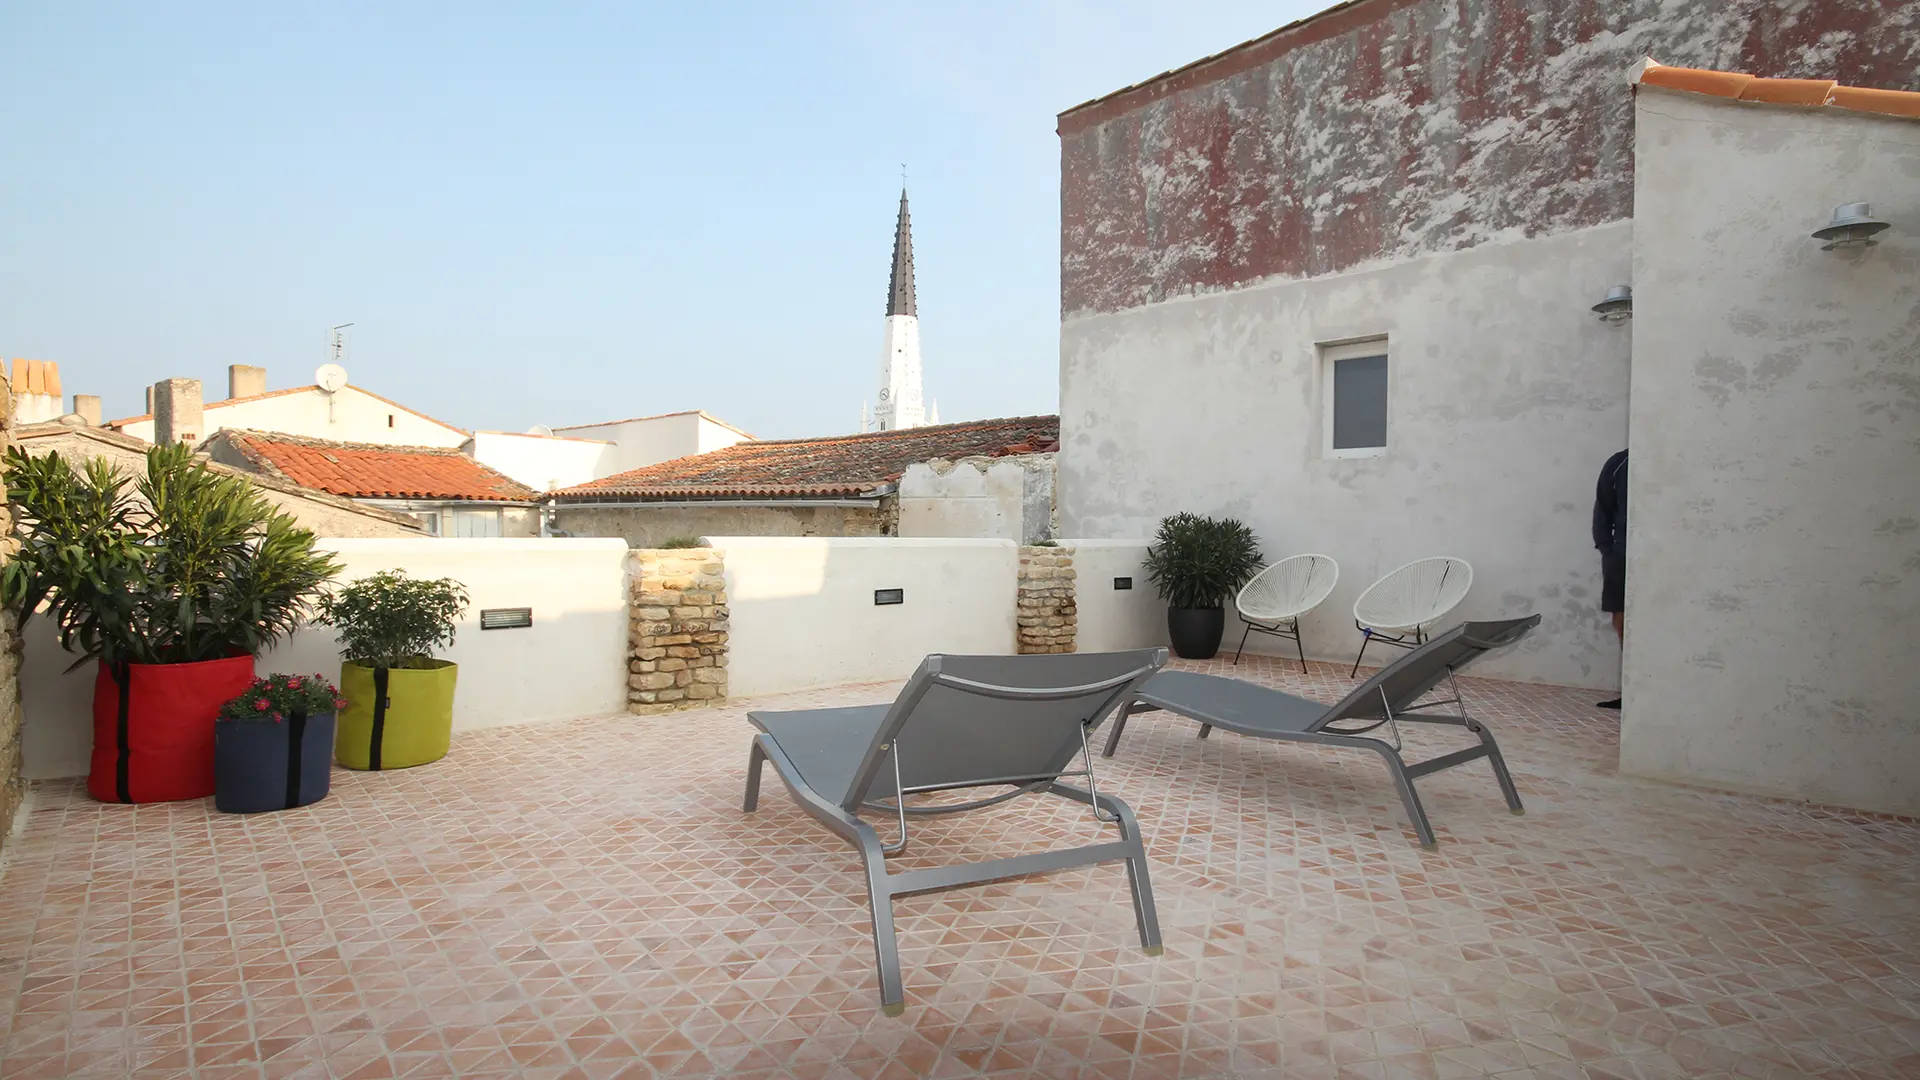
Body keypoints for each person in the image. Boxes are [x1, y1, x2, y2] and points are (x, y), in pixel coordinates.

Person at [1592, 448, 1629, 709]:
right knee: (1622, 621)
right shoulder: (1619, 463)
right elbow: (1603, 509)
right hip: (1620, 557)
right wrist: (1608, 550)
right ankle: (1630, 691)